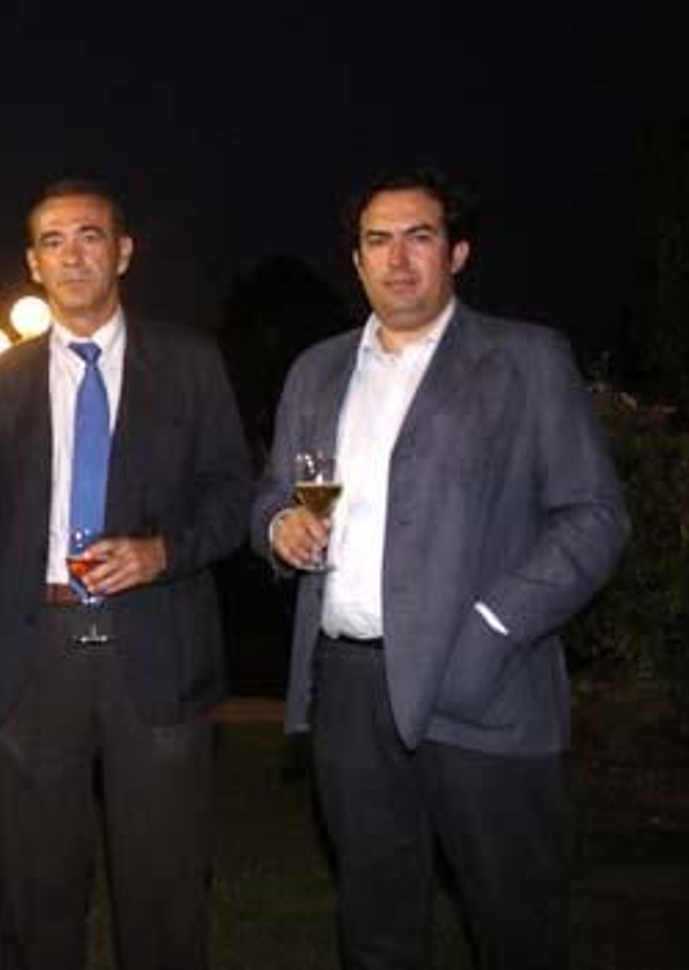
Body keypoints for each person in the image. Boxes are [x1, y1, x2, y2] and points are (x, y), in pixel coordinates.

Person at [250, 169, 629, 969]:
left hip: (484, 685)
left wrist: (494, 626)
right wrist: (280, 526)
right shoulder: (314, 371)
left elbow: (594, 518)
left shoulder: (525, 359)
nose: (398, 259)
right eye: (377, 241)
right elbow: (273, 496)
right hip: (350, 690)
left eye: (418, 237)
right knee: (377, 926)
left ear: (456, 253)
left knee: (514, 926)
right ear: (356, 261)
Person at [0, 180, 255, 970]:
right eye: (53, 241)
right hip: (29, 660)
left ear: (123, 251)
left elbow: (234, 497)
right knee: (34, 894)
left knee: (163, 895)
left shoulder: (189, 364)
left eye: (90, 235)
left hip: (153, 651)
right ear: (32, 263)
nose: (73, 254)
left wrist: (164, 552)